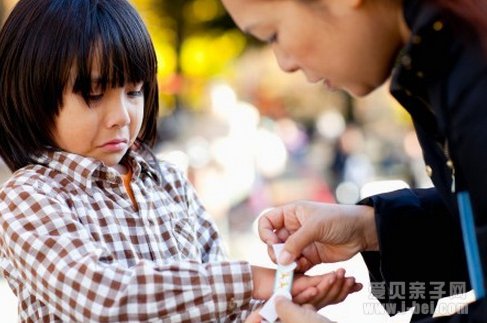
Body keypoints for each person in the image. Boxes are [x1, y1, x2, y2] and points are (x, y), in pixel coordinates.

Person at [0, 0, 363, 321]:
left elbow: (225, 307)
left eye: (134, 92)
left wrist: (283, 305)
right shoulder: (29, 196)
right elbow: (104, 299)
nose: (122, 116)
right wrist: (257, 281)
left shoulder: (167, 181)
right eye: (94, 95)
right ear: (33, 94)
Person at [220, 0, 487, 321]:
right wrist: (371, 228)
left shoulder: (472, 77)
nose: (284, 64)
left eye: (273, 34)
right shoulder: (446, 63)